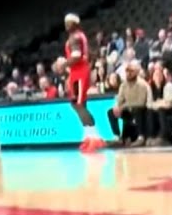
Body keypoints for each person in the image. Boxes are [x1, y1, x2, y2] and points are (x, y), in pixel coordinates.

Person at [63, 14, 105, 151]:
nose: (66, 25)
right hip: (79, 72)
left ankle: (95, 138)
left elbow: (76, 56)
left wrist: (62, 64)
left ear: (75, 23)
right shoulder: (80, 36)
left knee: (78, 104)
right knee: (81, 105)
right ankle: (89, 136)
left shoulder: (75, 37)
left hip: (79, 72)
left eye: (68, 22)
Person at [108, 60, 150, 146]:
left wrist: (123, 106)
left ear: (136, 72)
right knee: (111, 112)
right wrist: (117, 106)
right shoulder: (123, 85)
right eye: (127, 71)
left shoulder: (142, 84)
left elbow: (141, 102)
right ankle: (117, 136)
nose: (128, 73)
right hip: (128, 110)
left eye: (131, 71)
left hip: (142, 110)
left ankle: (141, 137)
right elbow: (119, 99)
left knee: (137, 110)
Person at [146, 65, 172, 145]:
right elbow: (149, 104)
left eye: (160, 75)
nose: (158, 77)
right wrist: (159, 103)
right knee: (150, 111)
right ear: (152, 77)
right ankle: (152, 135)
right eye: (156, 75)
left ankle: (163, 136)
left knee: (161, 110)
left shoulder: (168, 86)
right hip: (161, 109)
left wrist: (157, 103)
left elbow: (168, 103)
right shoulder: (150, 88)